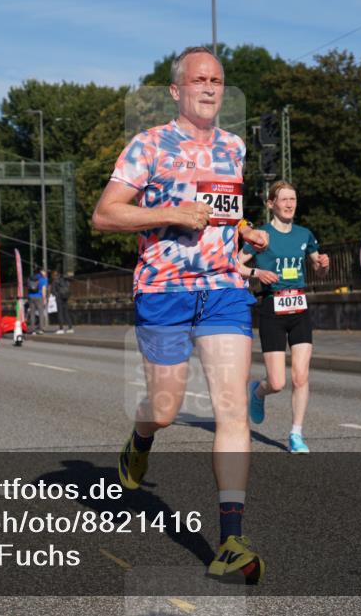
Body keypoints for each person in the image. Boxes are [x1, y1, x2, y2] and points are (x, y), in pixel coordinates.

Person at [91, 47, 271, 584]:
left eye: (217, 80)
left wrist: (244, 231)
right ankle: (140, 441)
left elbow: (222, 210)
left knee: (232, 408)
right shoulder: (148, 145)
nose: (210, 88)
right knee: (165, 408)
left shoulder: (234, 148)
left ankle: (230, 540)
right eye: (199, 80)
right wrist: (169, 211)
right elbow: (105, 214)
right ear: (177, 91)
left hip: (222, 288)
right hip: (163, 288)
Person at [239, 181, 329, 454]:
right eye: (284, 199)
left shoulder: (304, 234)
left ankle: (296, 434)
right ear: (271, 204)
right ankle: (258, 391)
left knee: (300, 377)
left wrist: (323, 265)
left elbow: (317, 269)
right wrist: (257, 274)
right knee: (277, 382)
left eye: (293, 199)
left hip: (299, 309)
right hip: (272, 310)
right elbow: (234, 264)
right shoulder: (261, 236)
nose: (290, 204)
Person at [50, 269, 74, 334]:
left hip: (59, 298)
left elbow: (52, 291)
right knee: (66, 313)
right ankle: (70, 328)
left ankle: (61, 329)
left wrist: (56, 294)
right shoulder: (64, 279)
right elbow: (68, 287)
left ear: (53, 275)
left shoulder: (55, 281)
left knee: (60, 313)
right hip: (65, 297)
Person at [26, 267, 48, 334]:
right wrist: (44, 299)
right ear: (41, 272)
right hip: (39, 297)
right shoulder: (44, 279)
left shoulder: (30, 278)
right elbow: (44, 289)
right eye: (45, 271)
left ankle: (32, 329)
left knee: (32, 313)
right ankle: (41, 329)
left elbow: (28, 287)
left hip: (31, 296)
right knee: (41, 313)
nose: (46, 273)